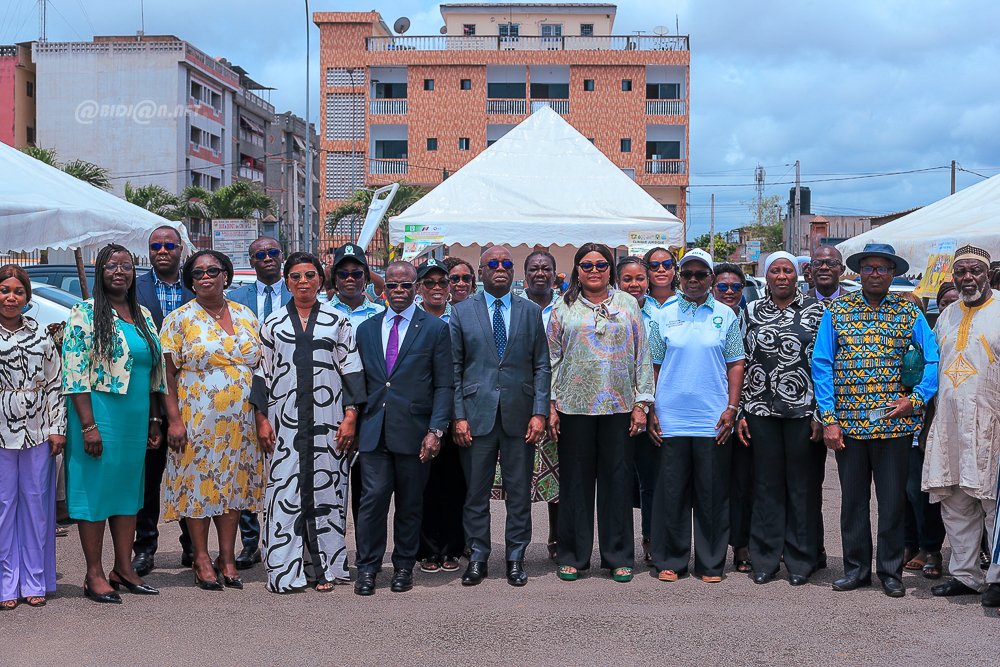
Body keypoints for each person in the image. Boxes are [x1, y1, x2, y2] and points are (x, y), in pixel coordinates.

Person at [812, 242, 939, 598]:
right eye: (868, 268)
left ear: (893, 273)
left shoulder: (908, 312)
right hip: (849, 425)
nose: (875, 274)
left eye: (882, 268)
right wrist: (830, 418)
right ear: (859, 272)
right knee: (853, 500)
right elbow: (822, 363)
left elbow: (933, 359)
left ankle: (890, 571)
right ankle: (855, 569)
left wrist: (915, 400)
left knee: (892, 500)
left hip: (895, 425)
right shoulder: (838, 311)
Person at [251, 252, 363, 593]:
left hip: (329, 422)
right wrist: (261, 419)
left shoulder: (337, 321)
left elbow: (352, 370)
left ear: (320, 280)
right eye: (296, 276)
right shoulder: (271, 324)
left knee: (327, 491)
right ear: (287, 281)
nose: (303, 281)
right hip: (284, 423)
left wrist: (351, 417)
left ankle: (326, 568)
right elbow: (261, 374)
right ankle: (287, 570)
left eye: (310, 275)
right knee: (285, 491)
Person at [62, 244, 165, 603]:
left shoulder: (144, 315)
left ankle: (124, 567)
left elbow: (155, 373)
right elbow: (75, 375)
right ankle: (93, 573)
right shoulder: (85, 313)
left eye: (126, 266)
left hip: (136, 418)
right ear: (100, 272)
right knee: (95, 493)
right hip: (99, 415)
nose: (119, 271)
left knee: (126, 494)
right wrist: (88, 426)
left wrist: (155, 418)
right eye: (111, 265)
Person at [548, 244, 653, 584]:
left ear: (610, 269)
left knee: (617, 483)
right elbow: (551, 359)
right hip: (573, 407)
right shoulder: (562, 307)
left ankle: (618, 556)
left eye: (601, 264)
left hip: (619, 408)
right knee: (575, 485)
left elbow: (642, 355)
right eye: (587, 264)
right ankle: (573, 556)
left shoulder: (627, 305)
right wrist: (550, 404)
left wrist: (642, 404)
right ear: (577, 269)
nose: (594, 270)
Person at [160, 250, 265, 591]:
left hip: (241, 422)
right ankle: (202, 558)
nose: (206, 277)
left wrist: (262, 416)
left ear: (226, 276)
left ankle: (228, 557)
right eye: (198, 273)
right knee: (197, 487)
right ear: (190, 281)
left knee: (232, 488)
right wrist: (173, 420)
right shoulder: (178, 319)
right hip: (196, 420)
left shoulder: (246, 314)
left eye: (213, 271)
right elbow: (166, 375)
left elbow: (260, 368)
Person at [451, 246, 550, 587]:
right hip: (476, 417)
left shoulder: (529, 311)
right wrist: (458, 416)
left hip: (519, 416)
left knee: (518, 493)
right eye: (493, 264)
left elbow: (541, 365)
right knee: (476, 493)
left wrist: (539, 412)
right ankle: (478, 556)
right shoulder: (462, 312)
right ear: (480, 272)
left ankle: (515, 558)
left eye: (507, 264)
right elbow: (455, 368)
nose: (500, 269)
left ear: (514, 271)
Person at [353, 261, 453, 596]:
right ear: (384, 290)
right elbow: (360, 380)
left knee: (410, 504)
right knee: (372, 501)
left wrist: (436, 430)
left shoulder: (436, 329)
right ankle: (367, 568)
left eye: (406, 286)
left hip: (415, 431)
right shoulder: (366, 329)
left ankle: (404, 567)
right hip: (374, 429)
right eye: (393, 285)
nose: (399, 291)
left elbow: (444, 385)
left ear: (417, 288)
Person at [650, 249, 745, 583]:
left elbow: (736, 363)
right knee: (671, 494)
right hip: (671, 418)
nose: (693, 280)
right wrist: (650, 410)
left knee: (712, 494)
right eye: (687, 274)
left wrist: (732, 409)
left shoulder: (726, 315)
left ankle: (710, 563)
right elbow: (654, 366)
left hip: (712, 419)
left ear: (710, 279)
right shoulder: (664, 314)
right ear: (679, 276)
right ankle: (671, 561)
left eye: (700, 275)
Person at [736, 252, 826, 585]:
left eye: (788, 270)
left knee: (801, 487)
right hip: (761, 410)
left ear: (798, 276)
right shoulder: (751, 311)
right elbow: (741, 360)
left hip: (803, 412)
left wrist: (821, 412)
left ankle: (801, 561)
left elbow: (824, 363)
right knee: (766, 486)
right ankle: (765, 559)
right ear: (766, 276)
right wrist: (743, 409)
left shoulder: (817, 311)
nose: (782, 276)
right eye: (775, 270)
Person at [921, 245, 1000, 608]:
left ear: (987, 274)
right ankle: (967, 575)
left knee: (993, 504)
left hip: (992, 424)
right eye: (961, 271)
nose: (968, 277)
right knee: (955, 501)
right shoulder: (947, 314)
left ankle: (998, 578)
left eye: (975, 271)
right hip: (950, 423)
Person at [0, 266, 66, 610]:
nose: (11, 297)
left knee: (37, 506)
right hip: (0, 430)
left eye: (18, 292)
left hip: (39, 429)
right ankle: (5, 583)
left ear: (27, 297)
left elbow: (56, 383)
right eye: (4, 290)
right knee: (3, 507)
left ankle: (36, 579)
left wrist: (58, 428)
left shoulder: (41, 334)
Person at [132, 225, 195, 577]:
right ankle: (145, 547)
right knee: (149, 477)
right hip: (145, 396)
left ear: (180, 249)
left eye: (169, 245)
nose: (162, 251)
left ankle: (192, 546)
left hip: (191, 395)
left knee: (188, 472)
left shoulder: (197, 284)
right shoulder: (134, 288)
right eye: (156, 246)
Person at [492, 251, 562, 560]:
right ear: (525, 273)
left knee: (558, 477)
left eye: (546, 268)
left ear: (555, 273)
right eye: (534, 268)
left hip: (561, 403)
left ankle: (558, 540)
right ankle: (508, 547)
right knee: (516, 477)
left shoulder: (567, 307)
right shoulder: (515, 308)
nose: (540, 273)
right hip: (520, 404)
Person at [227, 236, 291, 571]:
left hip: (291, 389)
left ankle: (286, 538)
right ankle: (250, 542)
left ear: (282, 257)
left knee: (285, 468)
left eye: (272, 253)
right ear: (251, 261)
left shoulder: (298, 292)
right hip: (245, 389)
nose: (266, 258)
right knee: (248, 469)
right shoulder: (235, 299)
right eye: (259, 255)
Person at [328, 243, 386, 524]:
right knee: (328, 491)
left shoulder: (380, 315)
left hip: (370, 410)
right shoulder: (322, 313)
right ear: (334, 278)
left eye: (356, 273)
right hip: (329, 408)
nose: (350, 279)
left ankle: (366, 558)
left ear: (366, 276)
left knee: (367, 492)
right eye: (343, 274)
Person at [414, 258, 465, 573]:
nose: (436, 288)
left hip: (457, 411)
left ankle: (453, 548)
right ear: (419, 287)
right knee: (423, 484)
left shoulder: (462, 317)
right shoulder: (411, 320)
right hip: (421, 412)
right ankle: (427, 549)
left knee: (455, 483)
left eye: (442, 283)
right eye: (429, 283)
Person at [617, 256, 666, 565]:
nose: (634, 284)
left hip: (652, 408)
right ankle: (620, 545)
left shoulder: (661, 315)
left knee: (651, 481)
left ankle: (650, 539)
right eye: (627, 279)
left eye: (640, 279)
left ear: (648, 282)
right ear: (618, 282)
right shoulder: (609, 312)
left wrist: (652, 407)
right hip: (616, 407)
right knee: (618, 481)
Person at [712, 262, 752, 573]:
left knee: (743, 483)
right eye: (722, 287)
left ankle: (742, 546)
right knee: (713, 485)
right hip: (710, 412)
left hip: (747, 413)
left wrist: (741, 408)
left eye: (734, 287)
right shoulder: (705, 317)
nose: (728, 292)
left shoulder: (753, 318)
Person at [642, 246, 678, 314]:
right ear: (646, 271)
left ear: (674, 270)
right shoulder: (639, 303)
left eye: (667, 264)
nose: (661, 270)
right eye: (654, 265)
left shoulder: (687, 302)